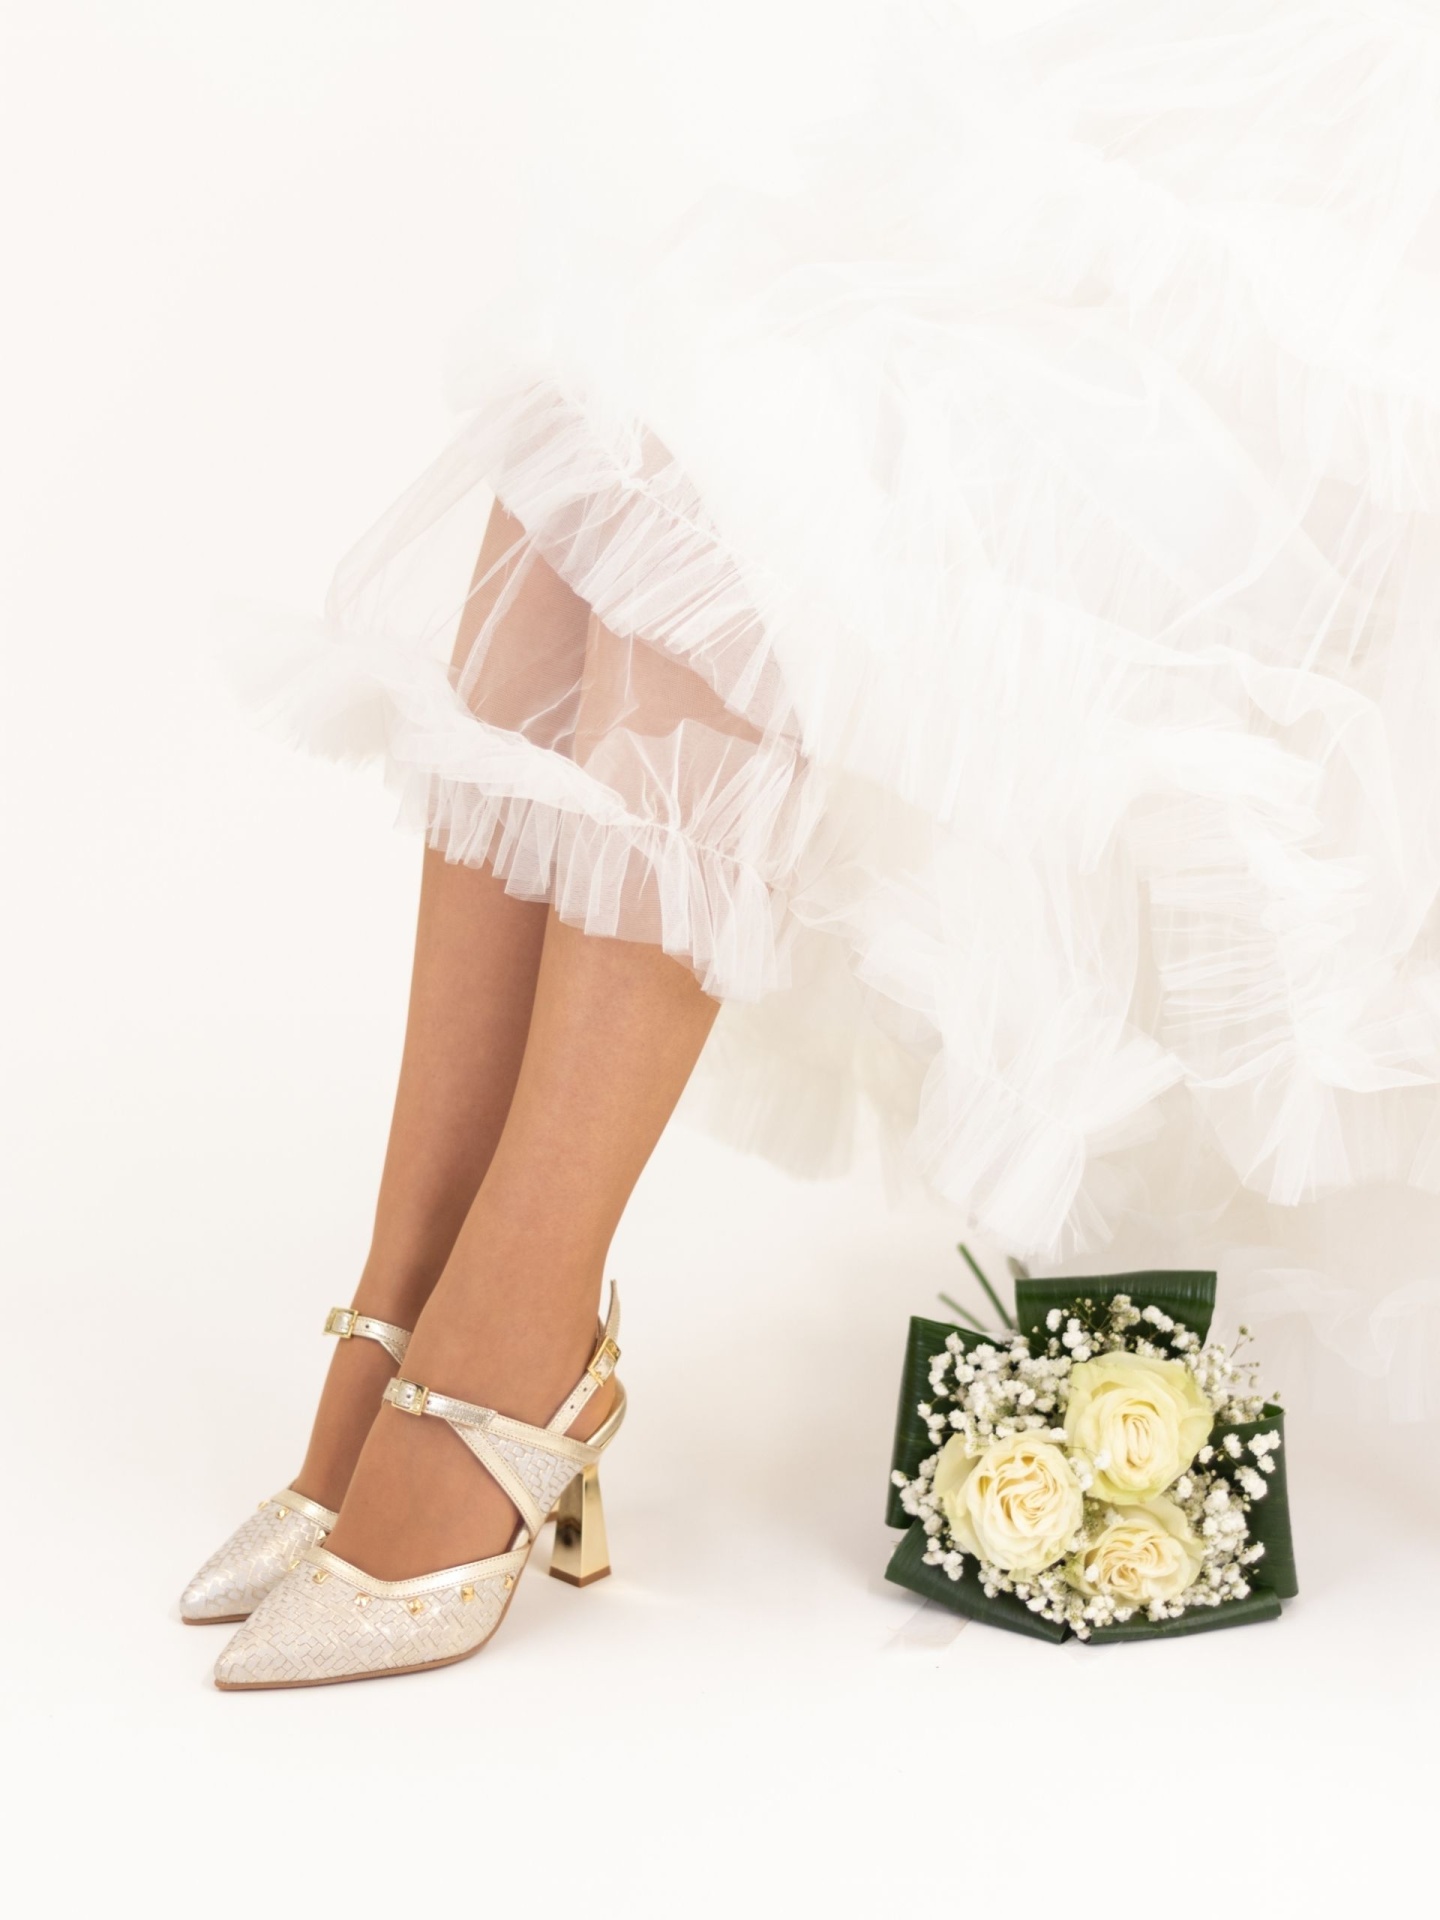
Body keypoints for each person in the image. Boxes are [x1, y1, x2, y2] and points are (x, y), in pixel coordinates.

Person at [186, 3, 1440, 1687]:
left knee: (740, 486)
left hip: (1352, 188)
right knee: (599, 428)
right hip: (1184, 80)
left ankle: (508, 1340)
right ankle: (411, 1303)